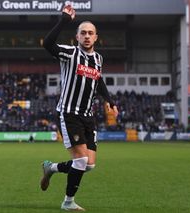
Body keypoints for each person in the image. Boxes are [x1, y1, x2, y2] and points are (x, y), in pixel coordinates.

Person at [40, 5, 118, 211]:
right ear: (76, 36)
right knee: (81, 160)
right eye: (83, 33)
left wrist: (109, 100)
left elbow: (98, 81)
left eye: (90, 33)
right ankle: (68, 202)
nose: (86, 36)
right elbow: (48, 44)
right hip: (69, 113)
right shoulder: (70, 53)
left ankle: (52, 168)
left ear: (96, 37)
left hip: (88, 117)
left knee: (89, 164)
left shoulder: (98, 59)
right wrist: (63, 20)